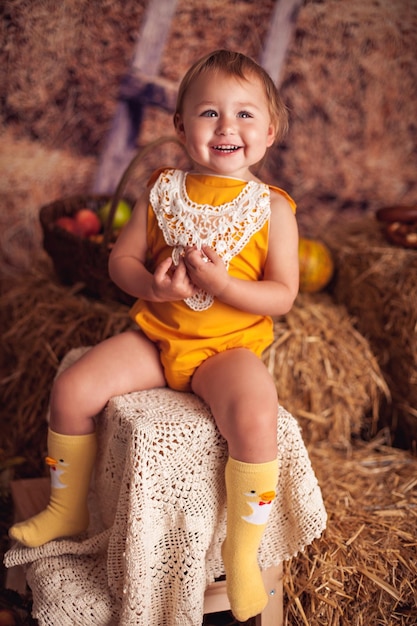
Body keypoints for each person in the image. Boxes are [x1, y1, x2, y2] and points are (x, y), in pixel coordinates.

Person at [10, 49, 299, 622]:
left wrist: (224, 287)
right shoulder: (161, 191)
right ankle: (67, 507)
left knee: (257, 415)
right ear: (180, 127)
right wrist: (155, 287)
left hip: (227, 348)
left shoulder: (272, 209)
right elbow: (120, 263)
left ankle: (241, 549)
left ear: (270, 132)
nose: (227, 127)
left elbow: (282, 294)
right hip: (157, 337)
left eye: (245, 115)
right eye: (209, 113)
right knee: (72, 387)